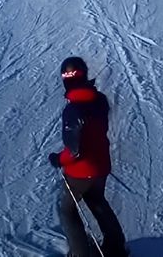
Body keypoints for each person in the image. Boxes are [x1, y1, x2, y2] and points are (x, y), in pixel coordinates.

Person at [49, 57, 128, 257]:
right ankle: (116, 248)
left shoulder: (73, 110)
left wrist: (59, 159)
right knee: (97, 200)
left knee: (67, 210)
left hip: (81, 172)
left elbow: (74, 151)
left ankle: (80, 253)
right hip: (101, 165)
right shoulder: (99, 99)